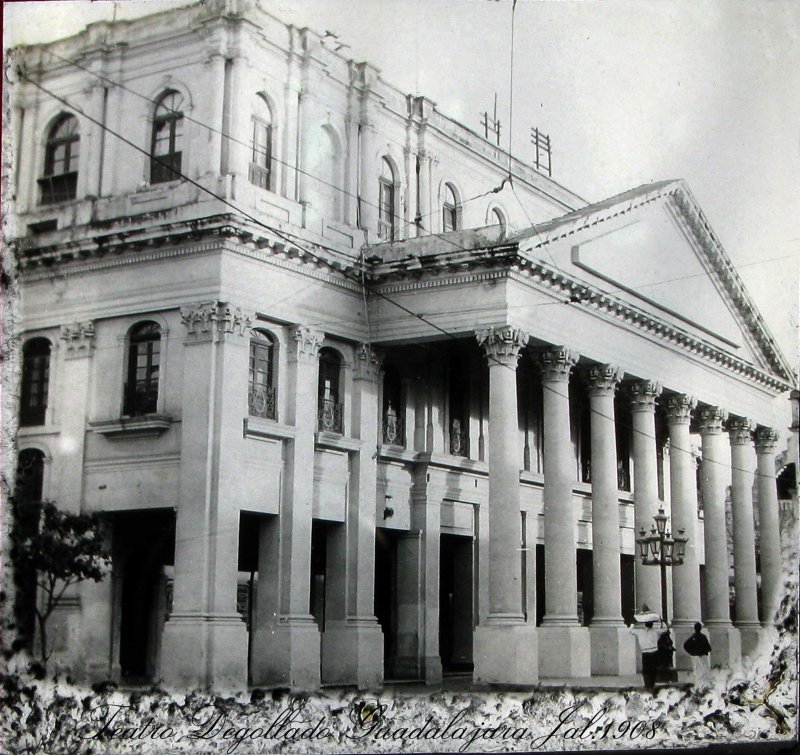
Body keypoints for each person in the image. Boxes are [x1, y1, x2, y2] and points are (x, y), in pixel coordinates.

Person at [629, 607, 661, 692]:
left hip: (646, 652)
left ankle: (648, 684)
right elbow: (665, 629)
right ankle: (651, 684)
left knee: (646, 669)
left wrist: (633, 622)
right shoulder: (656, 631)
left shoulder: (640, 632)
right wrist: (661, 621)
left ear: (645, 624)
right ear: (652, 624)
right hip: (653, 652)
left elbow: (630, 630)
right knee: (652, 669)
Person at [683, 622, 712, 686]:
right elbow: (709, 648)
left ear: (695, 628)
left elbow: (685, 645)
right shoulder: (703, 637)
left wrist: (692, 652)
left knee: (697, 671)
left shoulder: (693, 637)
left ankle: (698, 683)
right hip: (702, 656)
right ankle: (704, 683)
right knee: (705, 670)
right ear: (700, 628)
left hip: (695, 656)